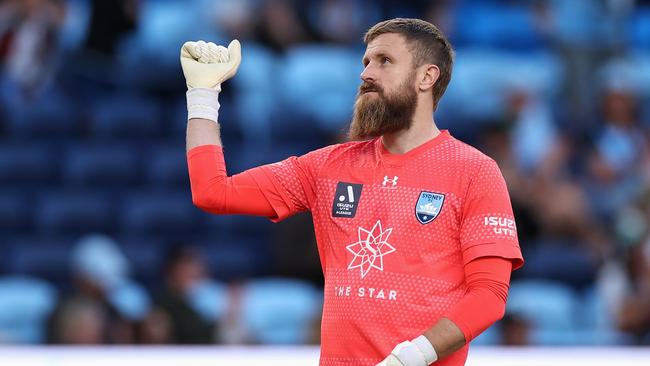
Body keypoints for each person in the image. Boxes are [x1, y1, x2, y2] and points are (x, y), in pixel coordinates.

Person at [180, 18, 524, 366]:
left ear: (426, 77)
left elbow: (489, 296)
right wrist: (203, 96)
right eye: (366, 62)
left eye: (384, 61)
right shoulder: (327, 166)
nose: (366, 74)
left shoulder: (474, 171)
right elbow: (213, 191)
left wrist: (413, 356)